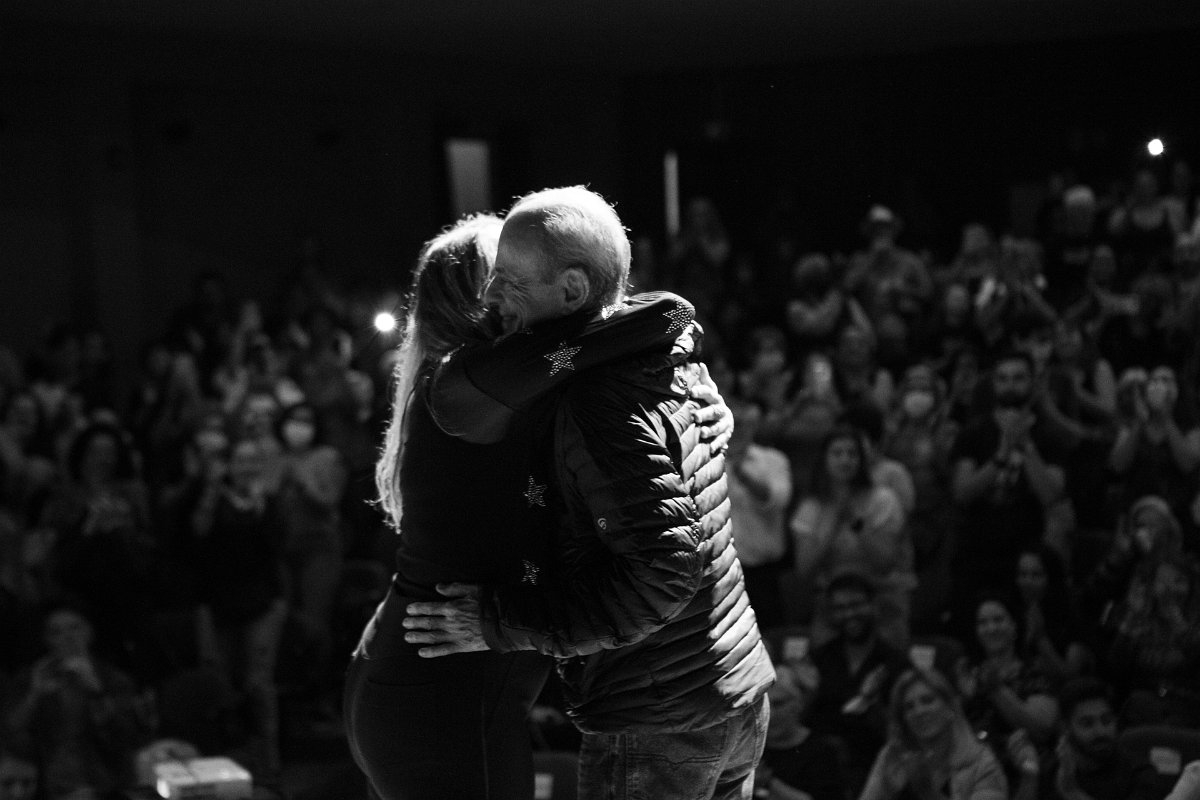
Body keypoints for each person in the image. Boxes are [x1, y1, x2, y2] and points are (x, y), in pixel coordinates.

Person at [344, 211, 734, 799]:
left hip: (419, 683)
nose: (507, 286)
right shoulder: (470, 385)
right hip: (439, 700)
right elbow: (642, 323)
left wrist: (697, 394)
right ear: (478, 302)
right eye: (498, 275)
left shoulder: (513, 379)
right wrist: (677, 330)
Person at [949, 350, 1066, 620]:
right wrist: (1000, 456)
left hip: (1025, 557)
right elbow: (962, 493)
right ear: (993, 384)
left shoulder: (1049, 436)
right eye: (1002, 379)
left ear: (1033, 383)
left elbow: (1051, 495)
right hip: (976, 554)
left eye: (1018, 378)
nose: (1010, 385)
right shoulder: (973, 433)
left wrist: (1026, 446)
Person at [1, 604, 152, 800]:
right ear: (47, 640)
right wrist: (35, 694)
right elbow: (10, 734)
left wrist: (96, 690)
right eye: (57, 632)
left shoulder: (112, 679)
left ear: (89, 632)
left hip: (104, 785)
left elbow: (126, 738)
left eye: (74, 628)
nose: (68, 637)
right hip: (47, 786)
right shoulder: (31, 677)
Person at [790, 426, 912, 647]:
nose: (845, 460)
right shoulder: (811, 507)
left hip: (879, 598)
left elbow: (885, 562)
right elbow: (805, 568)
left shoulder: (883, 499)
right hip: (832, 600)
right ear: (824, 459)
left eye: (852, 454)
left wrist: (855, 521)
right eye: (837, 453)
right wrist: (834, 518)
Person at [807, 571, 910, 797]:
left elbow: (899, 726)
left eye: (856, 605)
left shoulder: (894, 662)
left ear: (873, 605)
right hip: (821, 767)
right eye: (840, 608)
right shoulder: (820, 658)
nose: (849, 614)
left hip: (874, 766)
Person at [858, 668, 1008, 800]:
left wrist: (929, 794)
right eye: (909, 707)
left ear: (950, 707)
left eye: (927, 700)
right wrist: (889, 791)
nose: (919, 711)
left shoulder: (981, 763)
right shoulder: (892, 756)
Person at [1032, 676, 1160, 800]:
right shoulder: (1050, 771)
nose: (1100, 732)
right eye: (1087, 723)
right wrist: (1028, 779)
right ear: (1066, 728)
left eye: (1107, 721)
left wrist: (1073, 793)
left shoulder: (1139, 773)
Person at [755, 663, 845, 800]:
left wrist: (769, 783)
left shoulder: (821, 752)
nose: (770, 714)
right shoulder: (749, 749)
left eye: (779, 704)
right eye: (765, 705)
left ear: (799, 704)